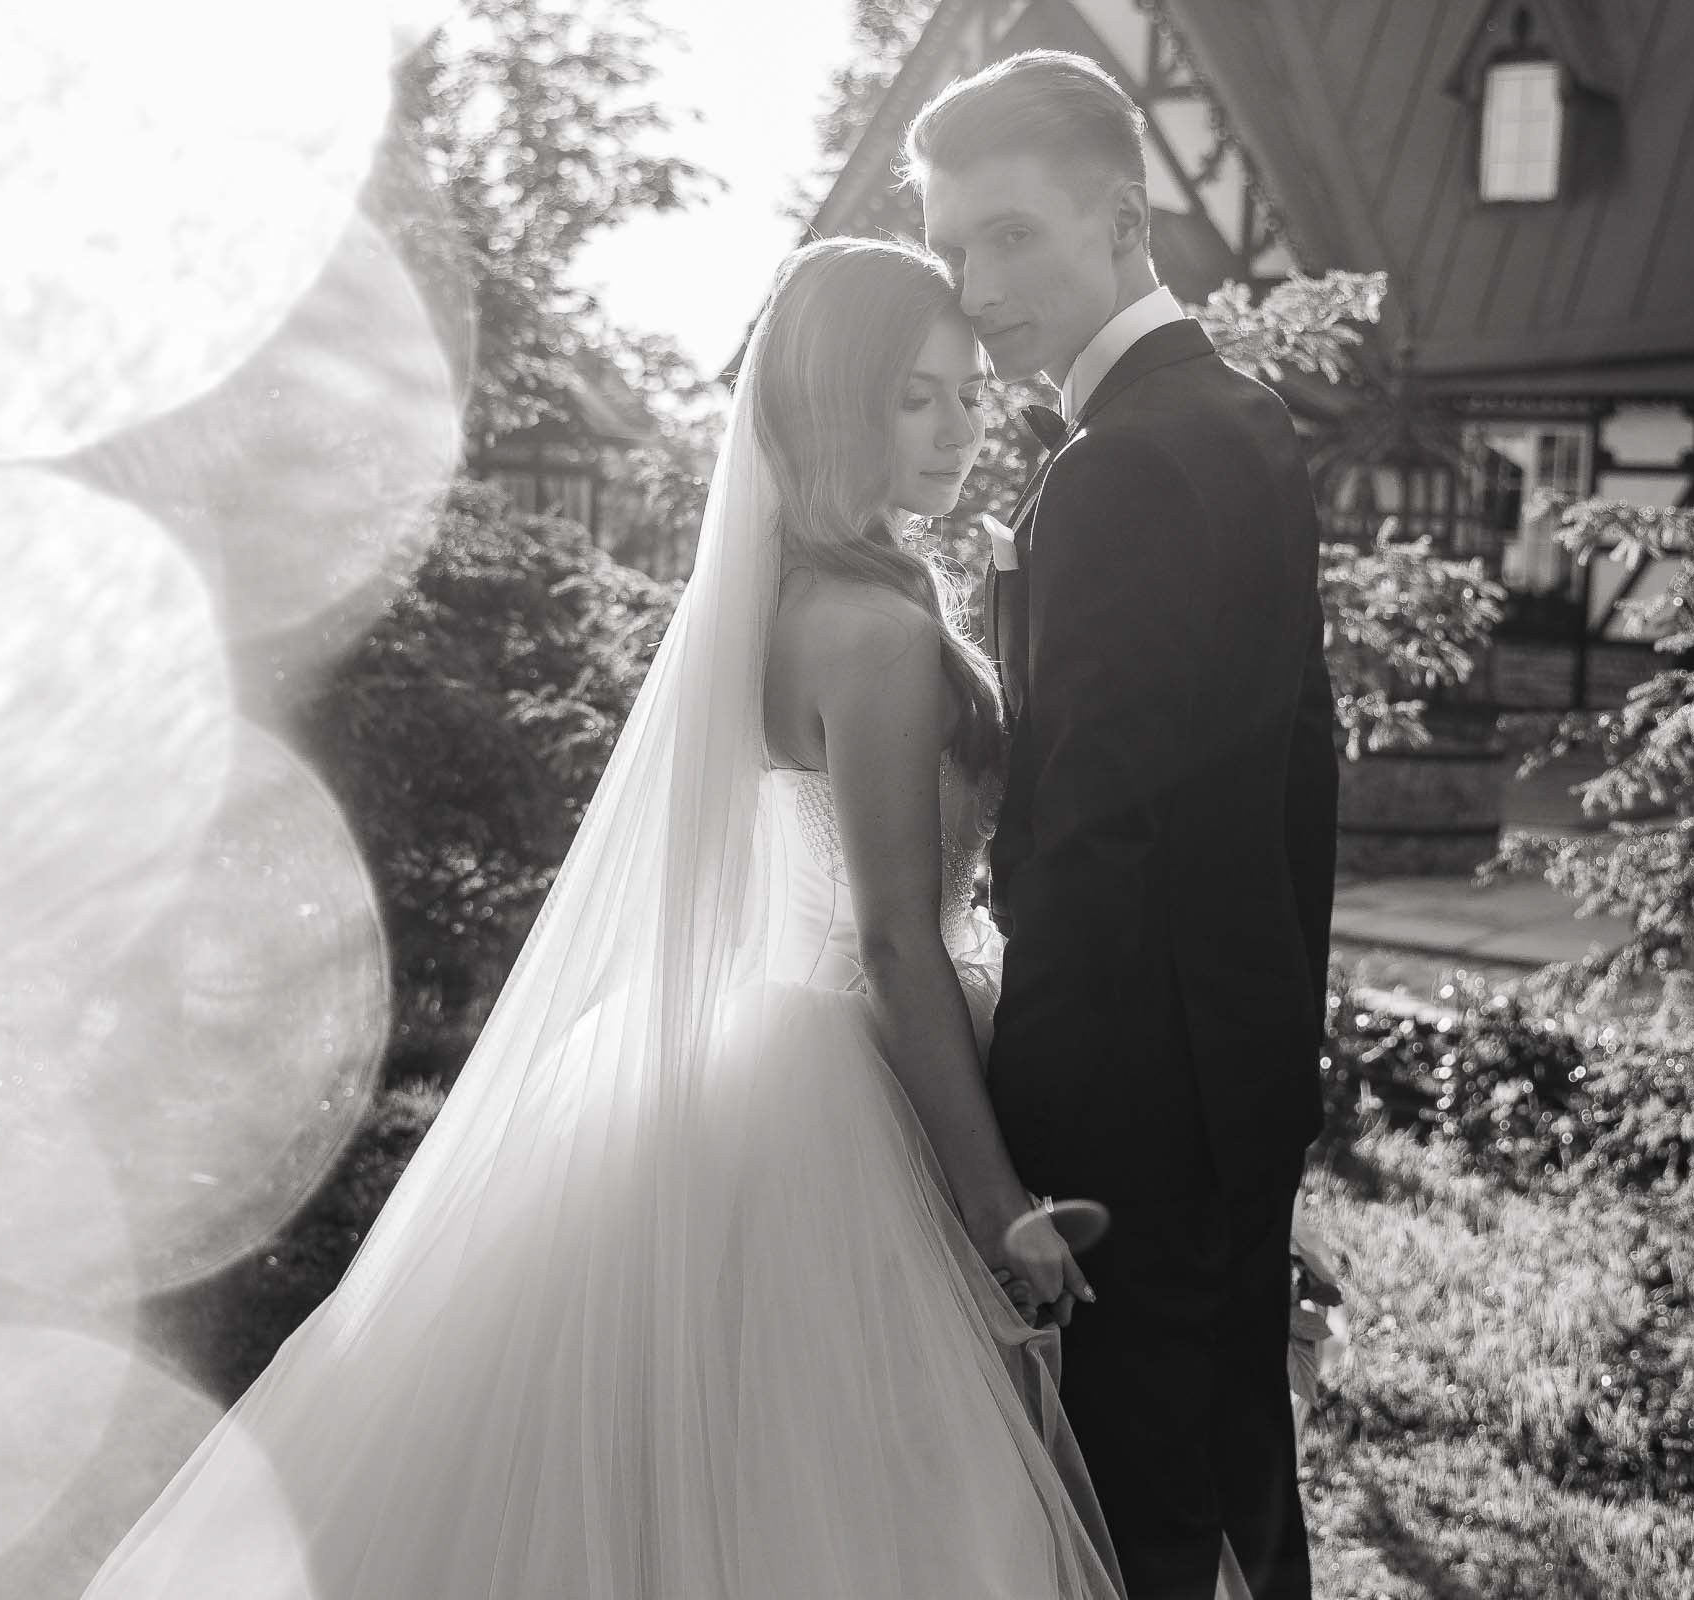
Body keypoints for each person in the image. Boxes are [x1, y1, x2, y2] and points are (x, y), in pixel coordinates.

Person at [77, 237, 1124, 1599]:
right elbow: (889, 938)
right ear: (832, 407)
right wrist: (993, 1207)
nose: (958, 429)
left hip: (762, 1058)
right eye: (913, 397)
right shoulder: (873, 631)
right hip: (858, 1075)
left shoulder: (796, 599)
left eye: (969, 393)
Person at [910, 48, 1340, 1600]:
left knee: (1132, 1523)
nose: (976, 289)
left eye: (1012, 236)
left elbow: (1093, 845)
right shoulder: (1240, 417)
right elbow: (1300, 780)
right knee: (1229, 1492)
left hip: (1128, 1112)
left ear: (1123, 224)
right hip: (1231, 1071)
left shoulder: (1124, 467)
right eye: (953, 249)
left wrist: (1018, 1153)